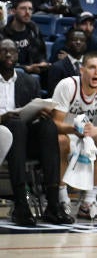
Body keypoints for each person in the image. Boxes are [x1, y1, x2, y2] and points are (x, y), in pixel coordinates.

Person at [51, 51, 97, 219]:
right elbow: (54, 123)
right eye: (92, 67)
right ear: (82, 70)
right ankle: (62, 198)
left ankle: (88, 202)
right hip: (68, 134)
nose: (96, 72)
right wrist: (74, 131)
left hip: (89, 136)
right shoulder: (68, 85)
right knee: (61, 140)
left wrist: (95, 131)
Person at [1, 38, 69, 225]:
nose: (8, 54)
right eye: (3, 51)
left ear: (18, 55)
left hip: (22, 138)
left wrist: (40, 114)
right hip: (1, 138)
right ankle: (21, 204)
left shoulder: (29, 81)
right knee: (15, 125)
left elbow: (33, 109)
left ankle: (53, 205)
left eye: (12, 51)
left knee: (48, 126)